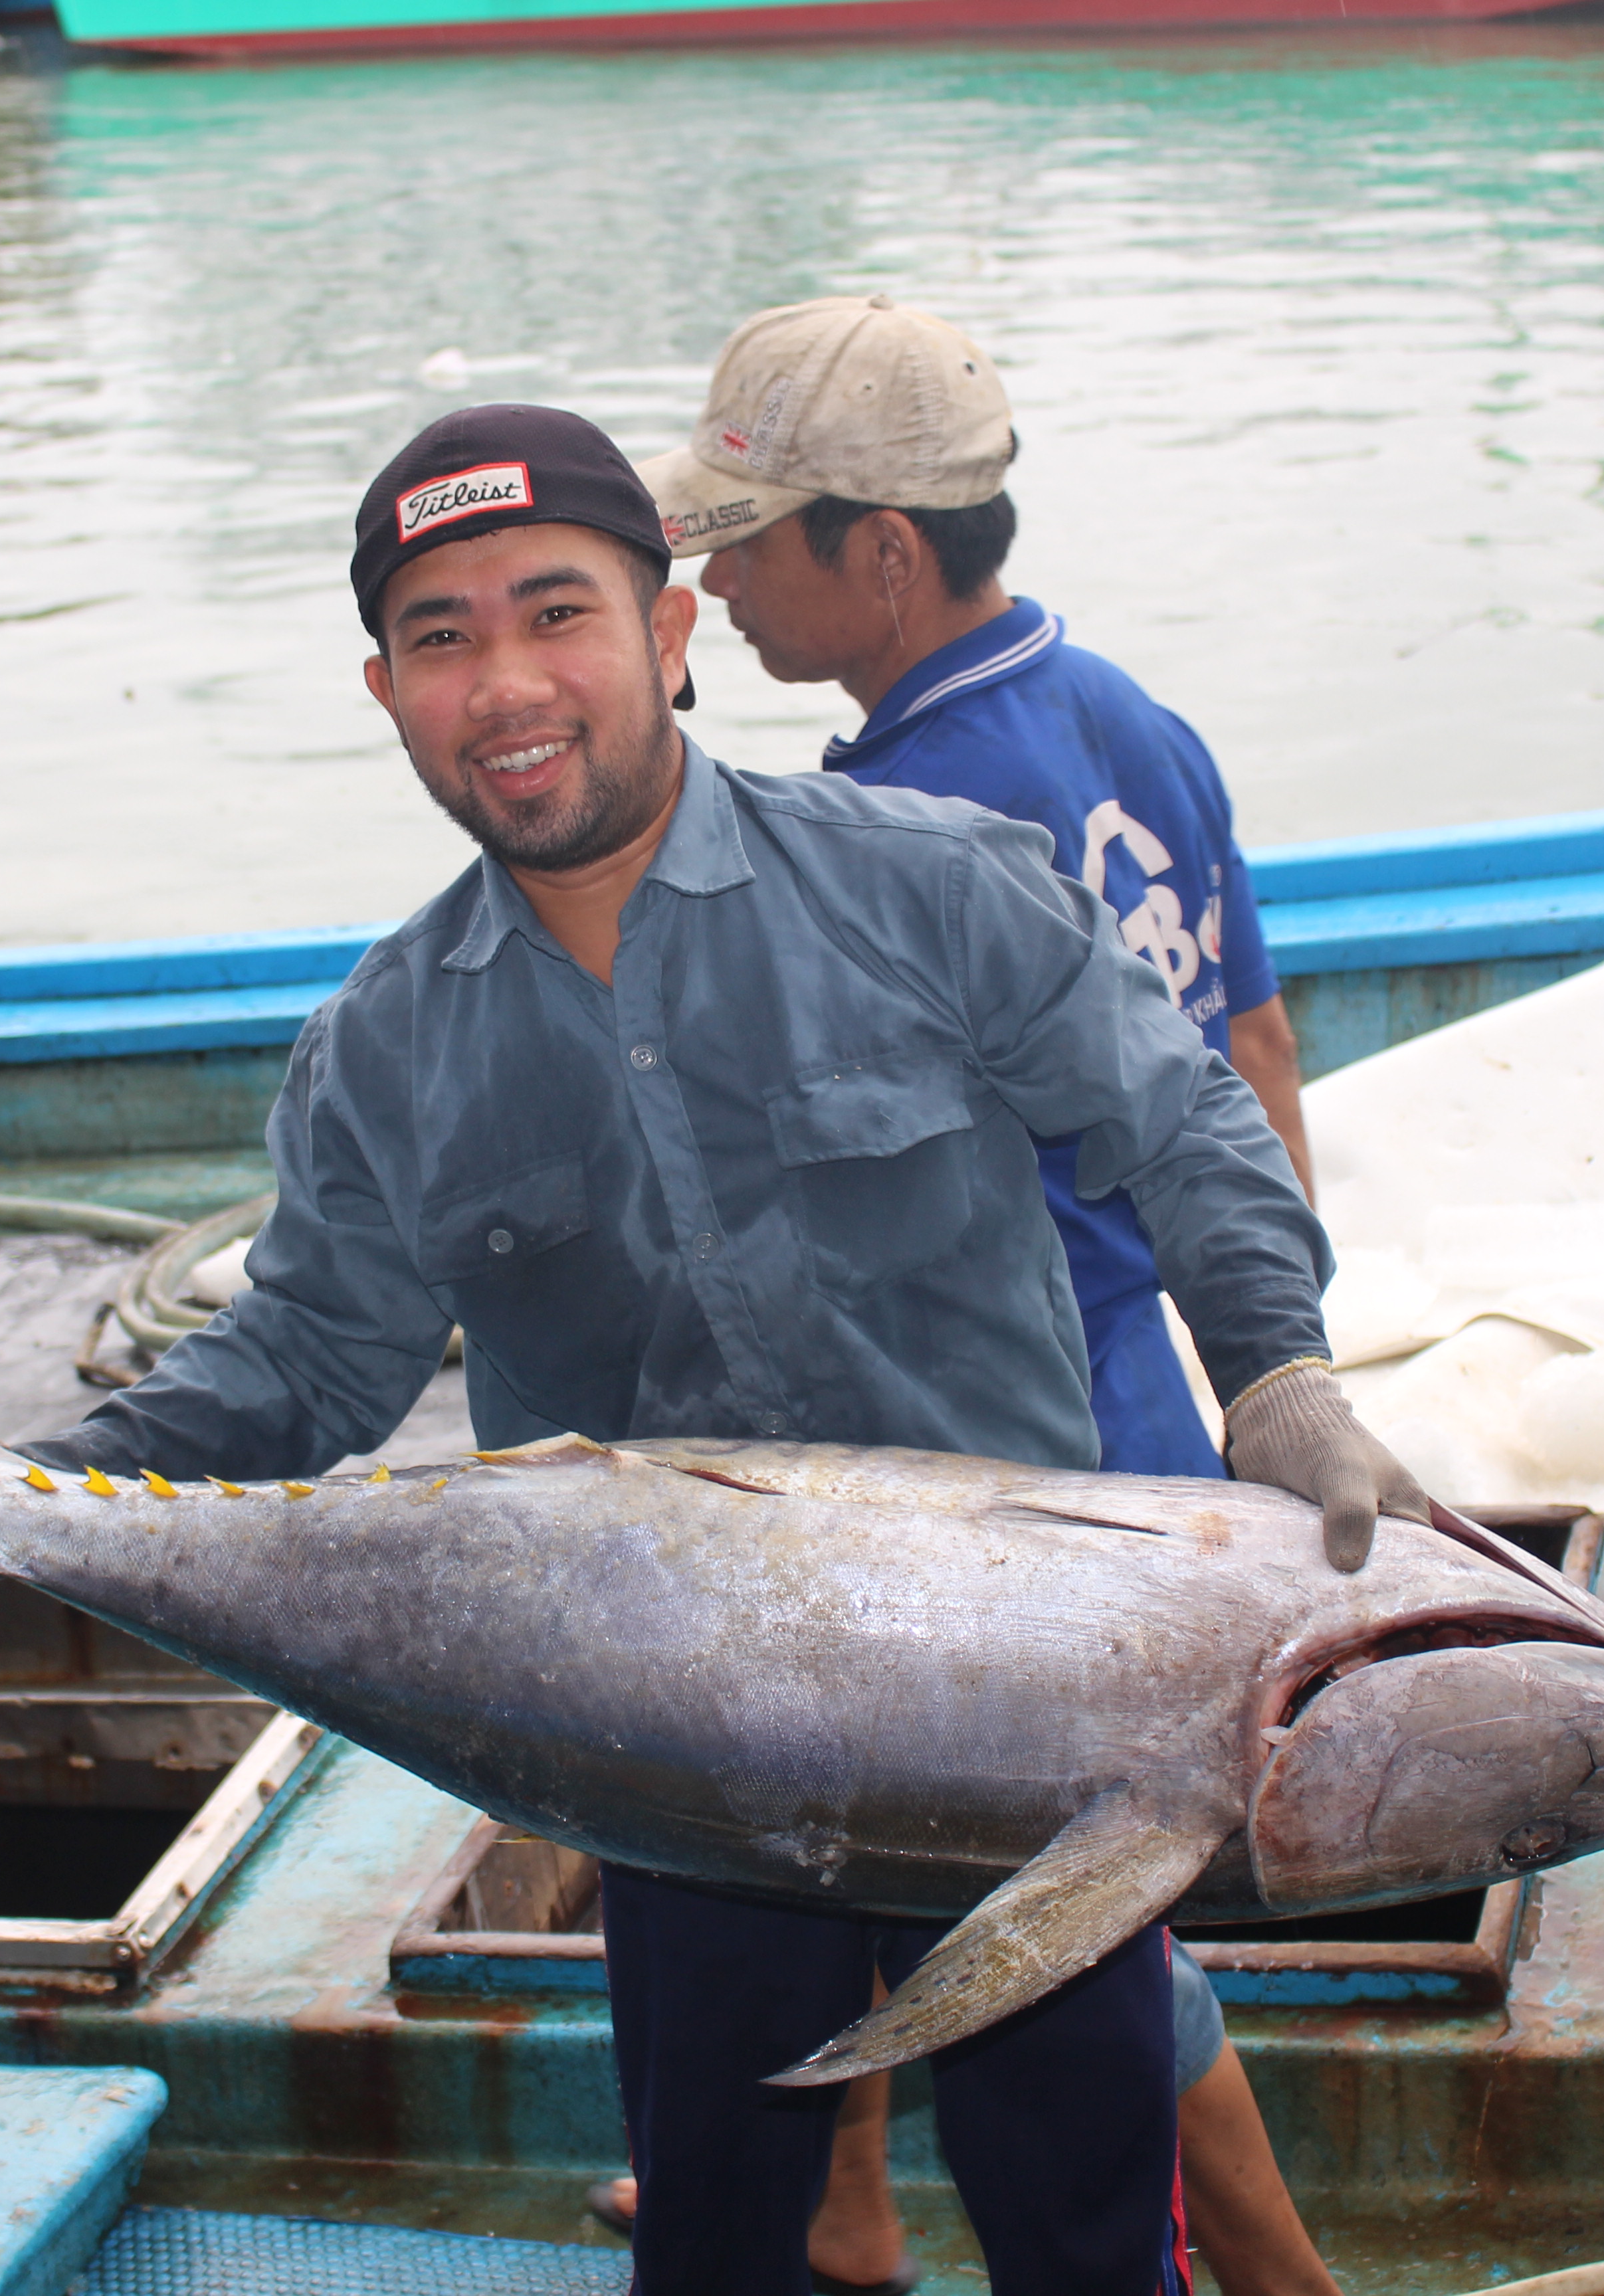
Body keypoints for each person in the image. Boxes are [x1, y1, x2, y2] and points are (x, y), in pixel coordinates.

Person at [0, 403, 1426, 2296]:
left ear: (668, 633)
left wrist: (1279, 1378)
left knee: (1087, 2234)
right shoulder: (389, 1050)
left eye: (554, 613)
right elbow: (297, 1373)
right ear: (386, 691)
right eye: (441, 638)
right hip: (676, 1774)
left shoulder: (934, 883)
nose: (506, 683)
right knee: (721, 2247)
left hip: (1025, 1735)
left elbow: (1182, 1129)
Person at [635, 296, 1351, 2295]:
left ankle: (1274, 2271)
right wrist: (1277, 1360)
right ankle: (854, 2194)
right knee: (965, 1836)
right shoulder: (1131, 716)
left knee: (1056, 1884)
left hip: (1011, 1411)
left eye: (746, 542)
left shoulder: (915, 828)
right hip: (1149, 1362)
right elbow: (1256, 1052)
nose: (717, 581)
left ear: (880, 551)